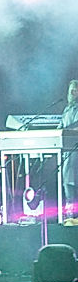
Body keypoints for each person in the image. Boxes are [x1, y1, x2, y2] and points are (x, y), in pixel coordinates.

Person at [61, 79, 78, 221]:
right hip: (67, 157)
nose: (72, 94)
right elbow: (60, 128)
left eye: (75, 91)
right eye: (70, 91)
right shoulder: (67, 110)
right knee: (68, 187)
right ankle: (70, 216)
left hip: (76, 155)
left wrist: (64, 131)